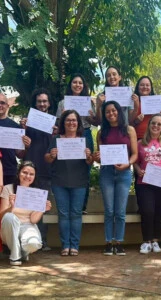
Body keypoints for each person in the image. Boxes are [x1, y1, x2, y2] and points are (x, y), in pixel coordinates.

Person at [45, 110, 93, 256]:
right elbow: (47, 158)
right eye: (68, 120)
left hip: (79, 181)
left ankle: (75, 245)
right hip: (59, 182)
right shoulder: (56, 138)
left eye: (74, 120)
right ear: (63, 123)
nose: (71, 123)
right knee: (64, 214)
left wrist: (88, 156)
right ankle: (65, 245)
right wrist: (52, 155)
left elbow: (90, 161)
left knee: (76, 214)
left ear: (78, 123)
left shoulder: (84, 139)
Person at [94, 101, 137, 256]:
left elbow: (135, 154)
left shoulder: (129, 130)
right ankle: (108, 242)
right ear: (104, 115)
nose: (111, 114)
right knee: (109, 210)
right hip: (106, 172)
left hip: (124, 174)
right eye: (107, 112)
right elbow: (99, 158)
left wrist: (127, 164)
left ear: (119, 111)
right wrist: (97, 157)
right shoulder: (101, 133)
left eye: (113, 111)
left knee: (120, 211)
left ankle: (118, 242)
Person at [134, 114, 161, 254]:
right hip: (145, 183)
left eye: (159, 124)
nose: (156, 126)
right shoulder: (140, 143)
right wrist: (138, 169)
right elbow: (134, 160)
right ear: (149, 125)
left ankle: (155, 240)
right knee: (147, 211)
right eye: (153, 123)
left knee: (160, 213)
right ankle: (146, 241)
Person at [20, 88, 55, 251]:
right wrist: (23, 129)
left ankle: (42, 240)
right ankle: (23, 239)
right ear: (35, 103)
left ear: (49, 103)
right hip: (29, 171)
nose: (42, 104)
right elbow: (20, 150)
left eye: (45, 101)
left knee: (42, 207)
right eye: (39, 101)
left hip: (46, 171)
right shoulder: (28, 123)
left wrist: (56, 133)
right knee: (26, 205)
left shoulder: (56, 125)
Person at [56, 73, 95, 214]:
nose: (77, 85)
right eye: (74, 82)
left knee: (86, 168)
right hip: (67, 136)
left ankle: (82, 206)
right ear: (70, 85)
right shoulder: (62, 103)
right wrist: (64, 115)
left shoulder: (89, 102)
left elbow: (95, 122)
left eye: (80, 83)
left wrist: (91, 116)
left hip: (85, 133)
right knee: (68, 166)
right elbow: (58, 124)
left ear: (84, 86)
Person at [0, 161, 51, 266]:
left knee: (34, 244)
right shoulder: (8, 188)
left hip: (27, 225)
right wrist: (11, 207)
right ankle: (14, 256)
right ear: (19, 173)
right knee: (10, 217)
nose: (27, 176)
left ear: (34, 177)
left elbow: (33, 220)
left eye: (31, 174)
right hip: (9, 226)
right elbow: (1, 216)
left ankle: (22, 252)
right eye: (24, 172)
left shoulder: (37, 193)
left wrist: (42, 209)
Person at [0, 93, 31, 185]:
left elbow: (20, 155)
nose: (0, 105)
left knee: (8, 199)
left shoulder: (15, 127)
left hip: (9, 171)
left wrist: (26, 146)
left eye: (2, 103)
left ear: (7, 105)